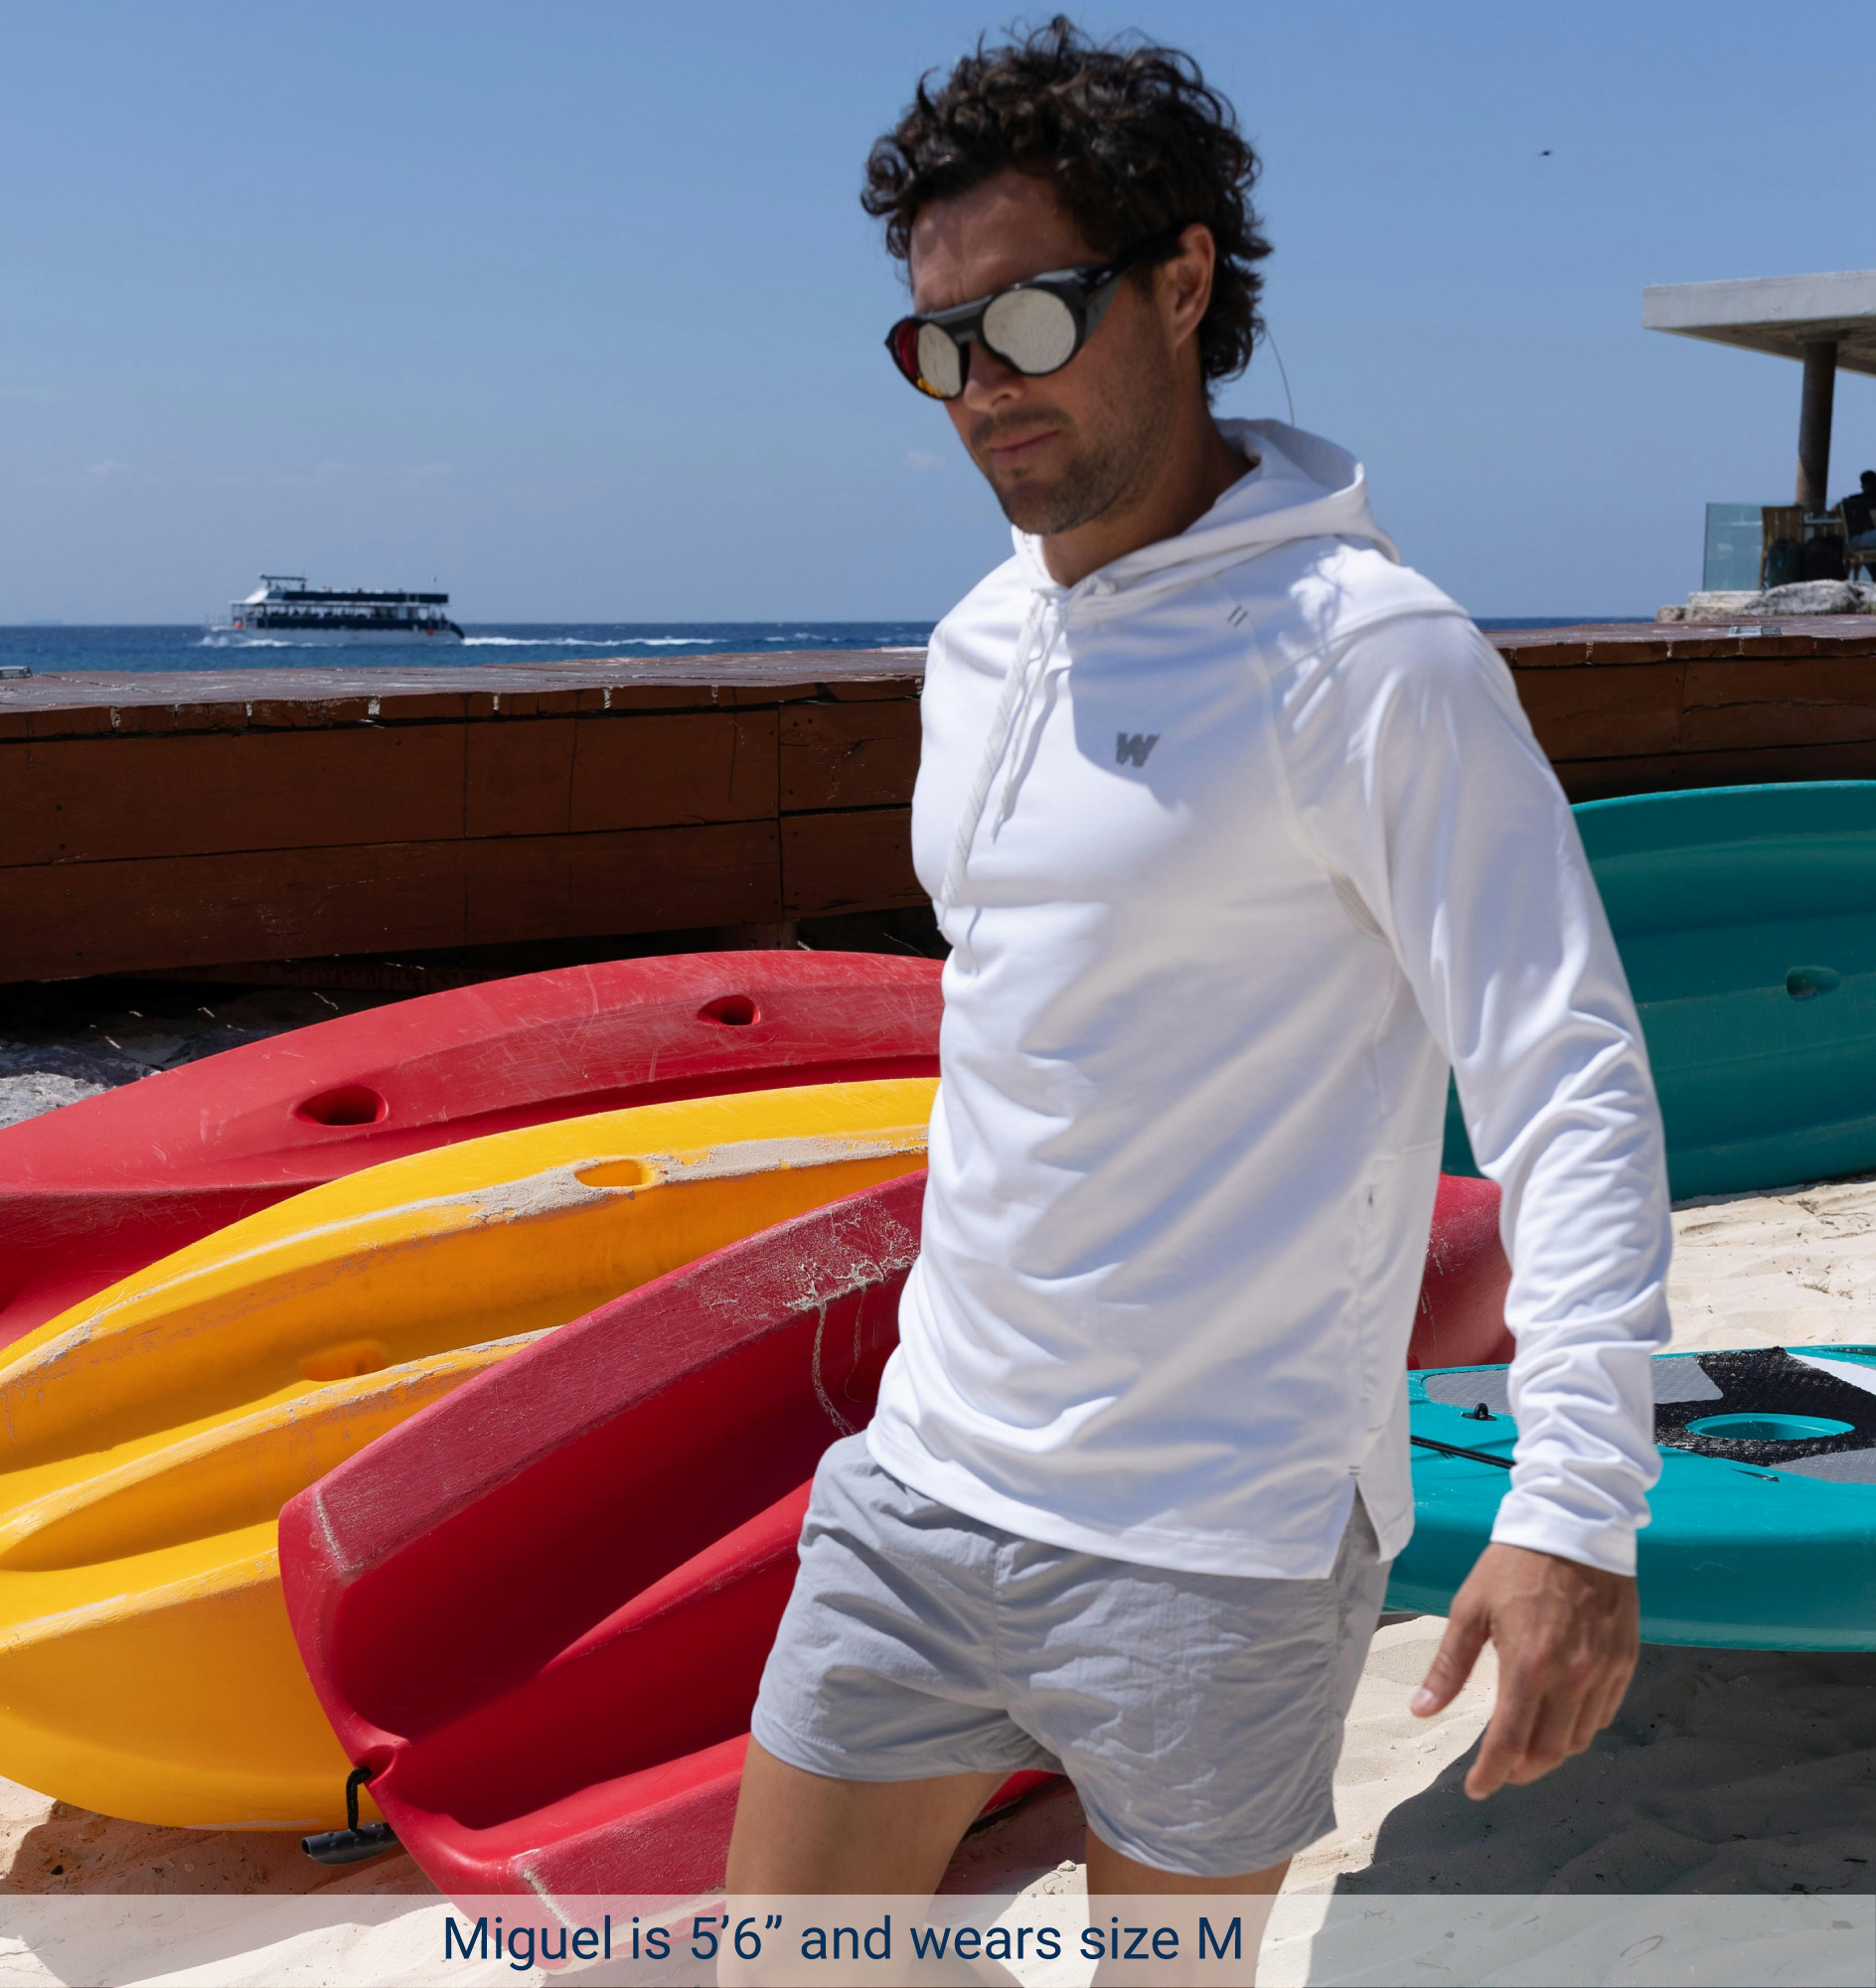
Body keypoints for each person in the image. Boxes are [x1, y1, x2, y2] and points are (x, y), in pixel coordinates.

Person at [725, 14, 1669, 1928]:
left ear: (1181, 284)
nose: (984, 385)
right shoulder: (980, 642)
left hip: (1215, 1530)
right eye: (939, 343)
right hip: (928, 1473)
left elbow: (1565, 1077)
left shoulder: (1368, 659)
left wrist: (1577, 1503)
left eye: (1033, 319)